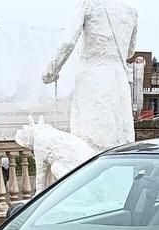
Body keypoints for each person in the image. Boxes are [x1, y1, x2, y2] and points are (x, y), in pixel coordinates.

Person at [42, 0, 137, 152]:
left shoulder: (87, 4)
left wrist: (51, 70)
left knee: (88, 141)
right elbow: (130, 51)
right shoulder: (131, 12)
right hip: (119, 81)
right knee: (121, 140)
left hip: (93, 78)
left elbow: (68, 42)